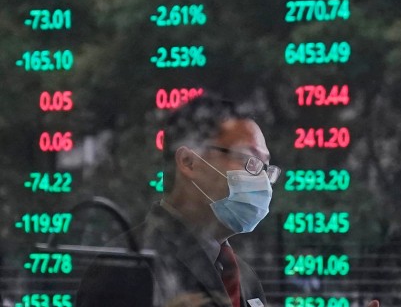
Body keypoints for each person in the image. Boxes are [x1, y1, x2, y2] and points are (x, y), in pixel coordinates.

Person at [77, 96, 276, 307]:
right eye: (248, 160)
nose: (262, 178)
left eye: (265, 167)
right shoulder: (126, 267)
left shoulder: (245, 278)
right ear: (189, 162)